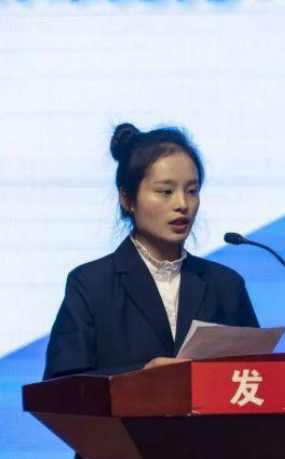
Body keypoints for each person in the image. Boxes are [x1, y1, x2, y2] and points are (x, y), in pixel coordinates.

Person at [43, 123, 259, 381]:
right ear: (127, 198)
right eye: (165, 192)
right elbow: (60, 388)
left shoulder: (226, 285)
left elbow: (257, 377)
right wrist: (142, 377)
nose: (182, 204)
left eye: (192, 191)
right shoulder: (90, 284)